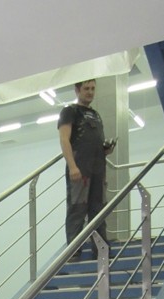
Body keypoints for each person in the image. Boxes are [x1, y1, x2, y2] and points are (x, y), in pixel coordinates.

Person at [57, 79, 115, 258]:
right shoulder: (69, 111)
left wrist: (106, 150)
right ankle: (73, 253)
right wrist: (72, 166)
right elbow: (64, 139)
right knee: (77, 209)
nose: (90, 92)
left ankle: (101, 250)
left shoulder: (96, 115)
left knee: (98, 210)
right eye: (86, 88)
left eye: (93, 89)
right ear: (77, 90)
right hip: (80, 169)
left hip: (98, 169)